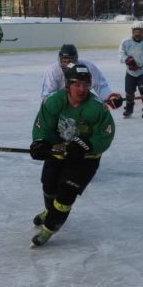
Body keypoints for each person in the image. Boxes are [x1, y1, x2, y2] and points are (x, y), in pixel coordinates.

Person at [29, 63, 116, 247]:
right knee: (48, 184)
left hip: (85, 160)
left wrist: (87, 145)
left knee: (66, 194)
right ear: (68, 85)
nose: (82, 89)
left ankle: (49, 228)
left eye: (86, 85)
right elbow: (42, 126)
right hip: (59, 153)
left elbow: (106, 135)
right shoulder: (54, 102)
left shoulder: (97, 108)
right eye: (77, 84)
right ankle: (49, 210)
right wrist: (40, 142)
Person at [41, 44, 123, 110]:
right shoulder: (52, 70)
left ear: (76, 60)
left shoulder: (87, 67)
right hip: (61, 106)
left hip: (82, 103)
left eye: (70, 61)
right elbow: (46, 96)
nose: (66, 64)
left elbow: (100, 85)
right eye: (64, 61)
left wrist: (109, 96)